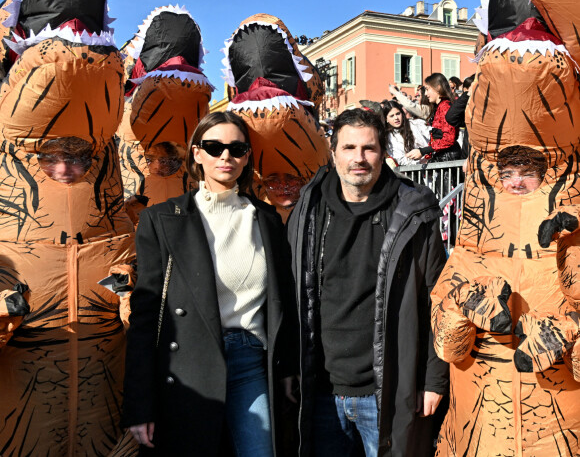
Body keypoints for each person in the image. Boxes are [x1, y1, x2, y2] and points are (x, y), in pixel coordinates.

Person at [122, 111, 299, 456]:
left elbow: (283, 304)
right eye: (214, 147)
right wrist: (139, 404)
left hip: (250, 361)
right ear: (196, 153)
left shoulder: (266, 219)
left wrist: (288, 368)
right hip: (189, 368)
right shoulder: (162, 219)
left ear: (248, 156)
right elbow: (145, 318)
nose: (225, 157)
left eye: (236, 148)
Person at [287, 108, 448, 457]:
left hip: (388, 392)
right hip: (323, 393)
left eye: (369, 148)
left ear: (382, 151)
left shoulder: (414, 211)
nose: (359, 158)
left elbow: (438, 300)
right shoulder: (308, 209)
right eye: (349, 148)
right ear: (333, 153)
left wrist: (433, 380)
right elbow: (293, 296)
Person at [406, 73, 460, 163]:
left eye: (427, 89)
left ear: (438, 87)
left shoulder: (445, 106)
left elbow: (449, 139)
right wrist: (426, 154)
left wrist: (423, 151)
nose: (426, 94)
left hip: (448, 158)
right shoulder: (439, 106)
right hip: (444, 157)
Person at [382, 100, 429, 166]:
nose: (396, 118)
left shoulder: (417, 124)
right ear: (386, 119)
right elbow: (400, 159)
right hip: (412, 171)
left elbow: (434, 140)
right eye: (392, 116)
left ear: (402, 113)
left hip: (432, 163)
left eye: (398, 114)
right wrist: (419, 162)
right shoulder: (389, 137)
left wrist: (426, 153)